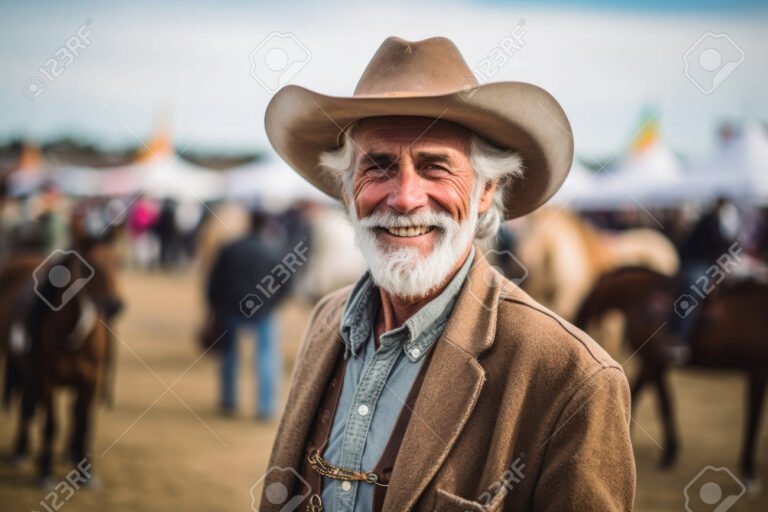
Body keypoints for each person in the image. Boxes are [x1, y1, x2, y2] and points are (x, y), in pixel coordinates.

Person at [258, 37, 635, 511]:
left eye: (434, 167)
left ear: (486, 190)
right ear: (348, 190)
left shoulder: (572, 379)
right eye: (378, 166)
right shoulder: (327, 322)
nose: (405, 197)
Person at [206, 209, 288, 420]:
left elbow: (214, 282)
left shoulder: (231, 248)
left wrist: (215, 308)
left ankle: (228, 400)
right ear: (265, 226)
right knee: (266, 356)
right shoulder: (271, 251)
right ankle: (265, 407)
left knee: (229, 355)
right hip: (264, 310)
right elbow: (285, 283)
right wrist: (273, 304)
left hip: (231, 308)